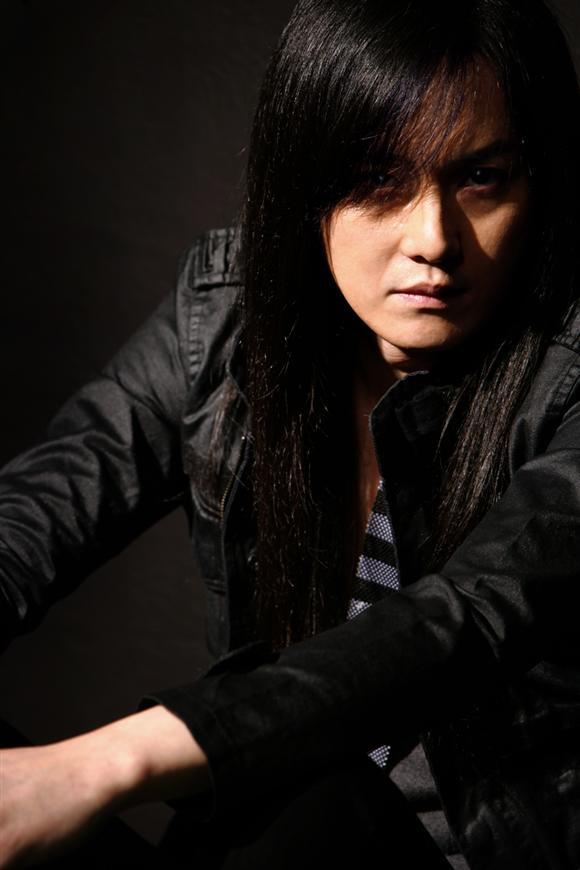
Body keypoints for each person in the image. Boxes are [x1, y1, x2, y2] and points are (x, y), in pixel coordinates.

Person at [1, 0, 580, 867]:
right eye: (379, 177)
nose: (433, 239)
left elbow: (459, 624)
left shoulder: (569, 371)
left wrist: (106, 763)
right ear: (304, 177)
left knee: (325, 792)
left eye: (482, 179)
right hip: (260, 840)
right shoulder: (227, 321)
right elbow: (39, 508)